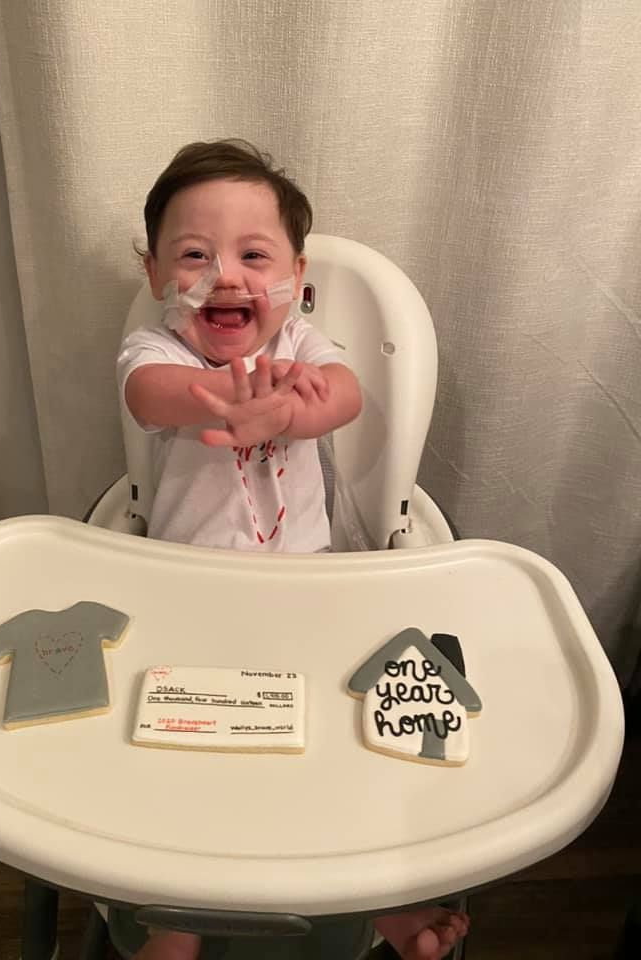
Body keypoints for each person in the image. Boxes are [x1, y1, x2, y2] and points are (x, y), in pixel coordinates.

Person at [120, 139, 468, 959]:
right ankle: (175, 918)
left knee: (347, 744)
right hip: (188, 599)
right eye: (194, 255)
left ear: (295, 277)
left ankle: (381, 895)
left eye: (252, 255)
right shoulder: (159, 353)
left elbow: (343, 395)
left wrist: (288, 408)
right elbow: (149, 395)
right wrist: (226, 396)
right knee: (177, 754)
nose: (226, 276)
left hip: (314, 592)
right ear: (154, 276)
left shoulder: (303, 345)